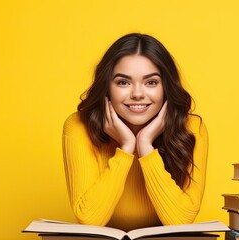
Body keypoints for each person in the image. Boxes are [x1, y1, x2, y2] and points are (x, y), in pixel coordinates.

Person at [62, 33, 208, 231]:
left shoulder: (190, 128)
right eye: (123, 82)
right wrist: (127, 147)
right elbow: (89, 219)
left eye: (151, 82)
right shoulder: (79, 126)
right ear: (107, 88)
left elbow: (180, 222)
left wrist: (145, 145)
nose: (138, 94)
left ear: (166, 87)